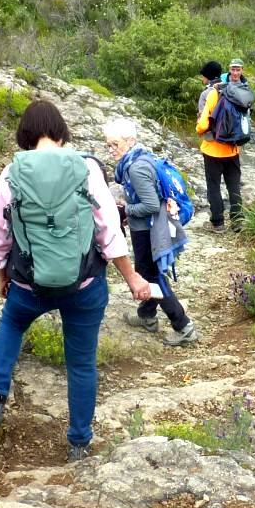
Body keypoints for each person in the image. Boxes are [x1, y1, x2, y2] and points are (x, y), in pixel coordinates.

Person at [0, 100, 152, 463]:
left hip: (28, 283)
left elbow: (0, 233)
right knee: (81, 364)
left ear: (26, 133)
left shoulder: (12, 173)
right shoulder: (86, 169)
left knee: (12, 322)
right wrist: (131, 277)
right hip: (84, 285)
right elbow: (107, 231)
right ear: (61, 130)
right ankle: (78, 444)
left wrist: (1, 273)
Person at [104, 119, 200, 346]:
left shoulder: (136, 168)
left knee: (152, 276)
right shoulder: (139, 159)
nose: (111, 150)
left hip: (147, 230)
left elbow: (150, 205)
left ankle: (183, 325)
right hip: (148, 227)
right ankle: (146, 315)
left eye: (115, 144)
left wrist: (125, 209)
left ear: (131, 141)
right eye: (108, 145)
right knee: (147, 272)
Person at [196, 58, 244, 232]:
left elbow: (203, 123)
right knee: (234, 185)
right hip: (233, 148)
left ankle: (218, 223)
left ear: (207, 77)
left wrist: (199, 130)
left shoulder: (211, 93)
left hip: (213, 150)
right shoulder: (234, 89)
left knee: (214, 186)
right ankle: (238, 221)